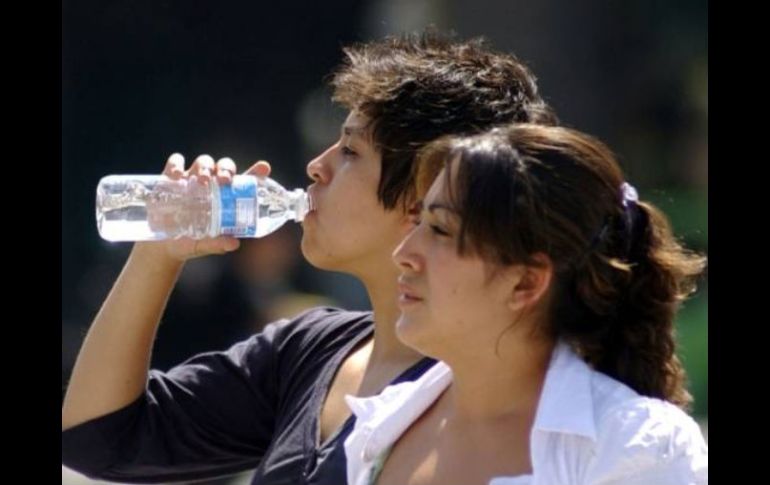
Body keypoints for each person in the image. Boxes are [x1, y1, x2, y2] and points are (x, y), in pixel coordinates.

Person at [61, 30, 556, 484]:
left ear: (426, 194)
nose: (317, 167)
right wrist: (157, 255)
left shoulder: (492, 396)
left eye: (350, 151)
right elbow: (96, 441)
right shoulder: (310, 349)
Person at [345, 123, 708, 485]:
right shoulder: (386, 420)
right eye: (419, 222)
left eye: (440, 229)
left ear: (526, 282)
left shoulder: (632, 447)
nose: (403, 253)